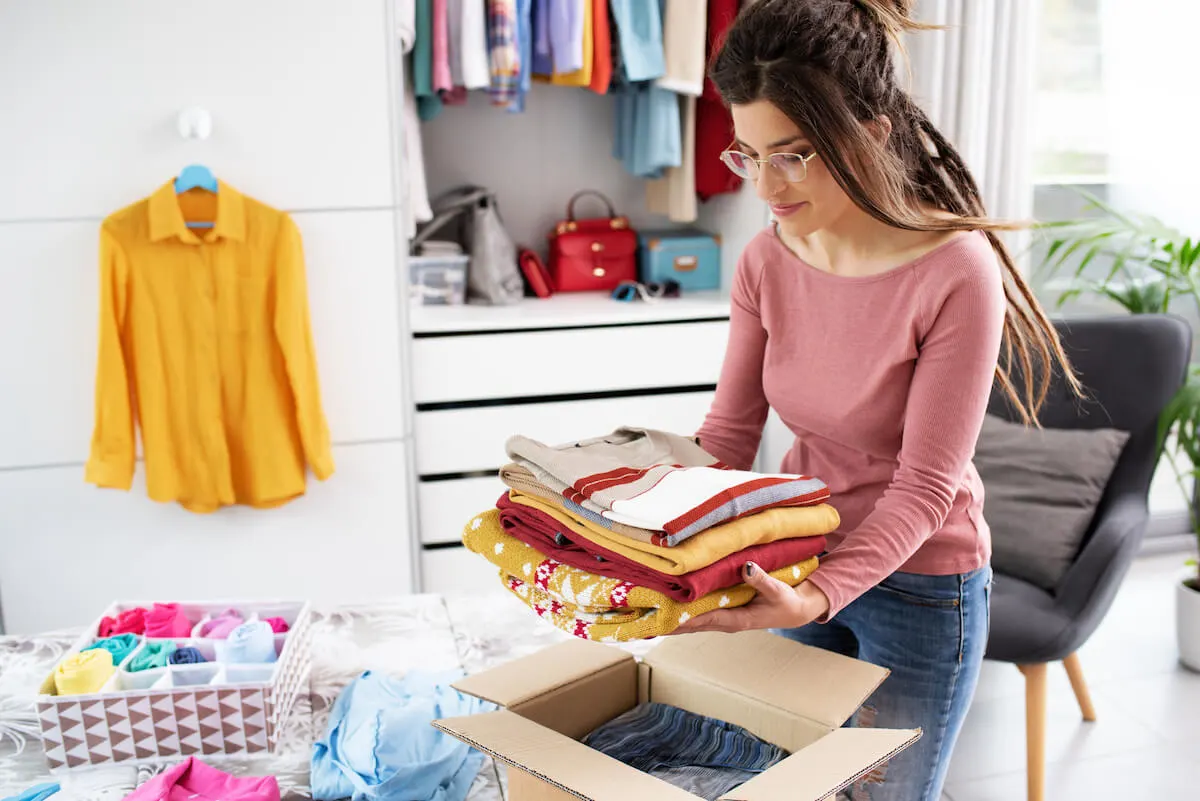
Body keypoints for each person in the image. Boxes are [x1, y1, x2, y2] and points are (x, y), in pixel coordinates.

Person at [673, 1, 1082, 799]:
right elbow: (727, 432)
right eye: (748, 154)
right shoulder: (767, 258)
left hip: (925, 583)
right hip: (795, 557)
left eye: (793, 155)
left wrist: (823, 590)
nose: (766, 185)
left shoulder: (954, 270)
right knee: (783, 783)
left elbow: (927, 487)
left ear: (871, 134)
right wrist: (651, 535)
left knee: (887, 792)